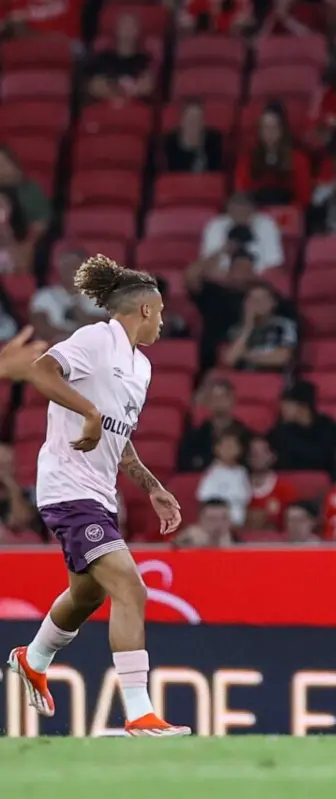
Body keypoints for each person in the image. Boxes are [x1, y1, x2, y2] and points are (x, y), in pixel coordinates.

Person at [6, 255, 189, 736]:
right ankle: (139, 713)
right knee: (130, 587)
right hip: (67, 489)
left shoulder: (141, 368)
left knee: (85, 594)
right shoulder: (96, 339)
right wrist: (86, 411)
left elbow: (118, 435)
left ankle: (34, 658)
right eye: (162, 311)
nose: (164, 321)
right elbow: (41, 372)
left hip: (100, 493)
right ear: (145, 310)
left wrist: (152, 486)